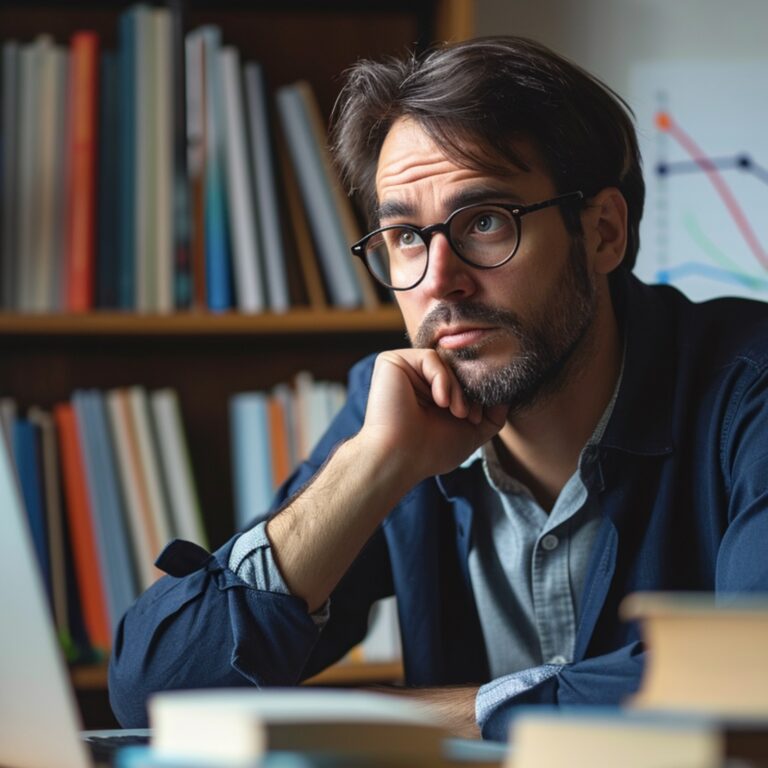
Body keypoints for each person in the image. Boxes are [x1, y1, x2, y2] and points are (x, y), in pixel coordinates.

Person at [108, 36, 768, 740]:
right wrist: (373, 467)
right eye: (406, 239)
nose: (437, 280)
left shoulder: (745, 391)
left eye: (485, 222)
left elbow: (751, 679)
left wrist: (409, 717)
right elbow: (155, 693)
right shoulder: (395, 412)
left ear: (602, 232)